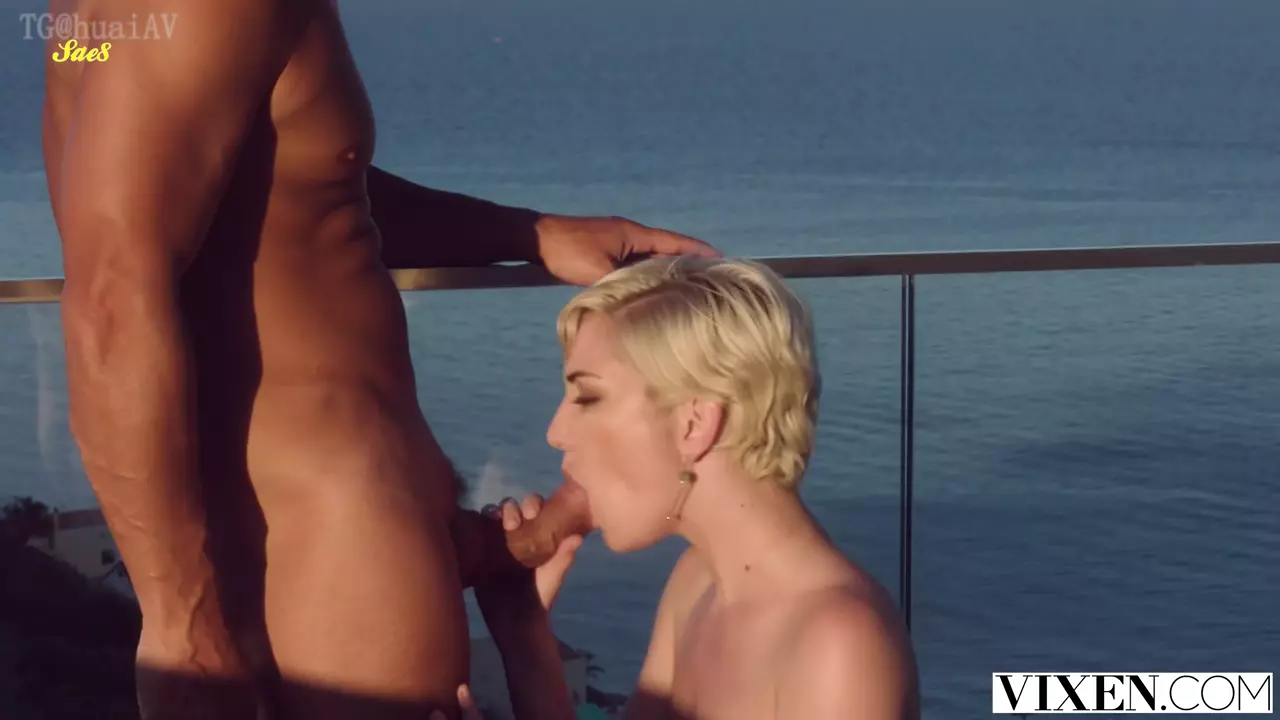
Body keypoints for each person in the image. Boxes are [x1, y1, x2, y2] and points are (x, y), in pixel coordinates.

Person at [42, 0, 716, 718]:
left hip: (293, 529)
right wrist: (181, 627)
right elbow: (111, 301)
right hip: (334, 539)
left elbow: (271, 182)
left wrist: (529, 233)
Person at [474, 256, 920, 719]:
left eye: (588, 397)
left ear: (694, 424)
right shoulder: (696, 581)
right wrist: (524, 635)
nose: (556, 432)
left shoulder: (839, 646)